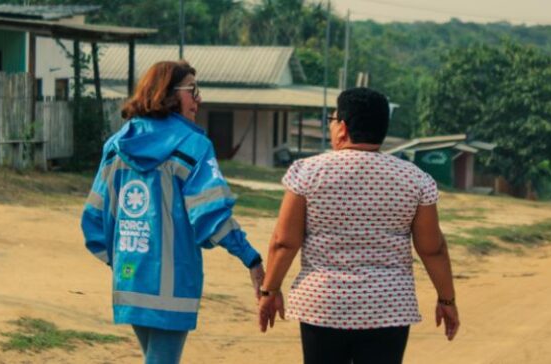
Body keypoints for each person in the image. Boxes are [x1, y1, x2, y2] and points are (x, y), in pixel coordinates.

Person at [81, 60, 265, 364]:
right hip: (173, 281)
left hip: (130, 278)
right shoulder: (194, 146)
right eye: (192, 90)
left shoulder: (115, 146)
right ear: (167, 93)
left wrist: (124, 261)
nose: (199, 99)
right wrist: (251, 258)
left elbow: (93, 221)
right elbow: (211, 217)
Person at [257, 87, 459, 364]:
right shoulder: (416, 179)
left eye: (332, 119)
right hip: (388, 308)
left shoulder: (308, 172)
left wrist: (269, 290)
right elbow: (432, 248)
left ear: (342, 128)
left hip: (323, 305)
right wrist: (446, 300)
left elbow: (284, 242)